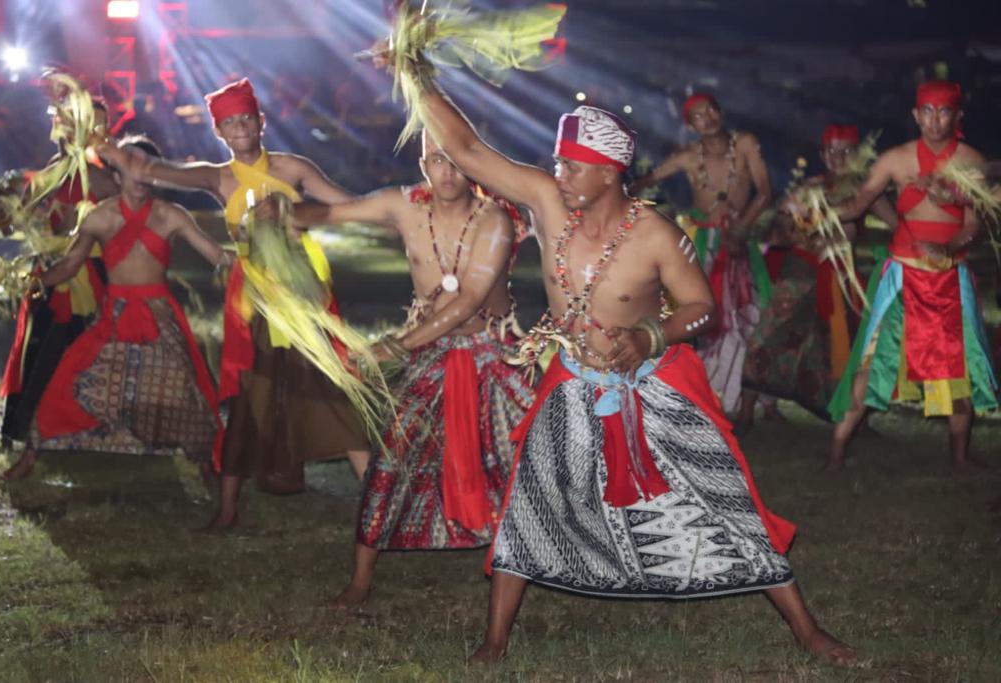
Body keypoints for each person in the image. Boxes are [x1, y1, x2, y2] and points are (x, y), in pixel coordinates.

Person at [390, 59, 853, 663]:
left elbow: (700, 307)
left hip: (648, 387)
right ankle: (495, 641)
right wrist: (416, 72)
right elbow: (467, 149)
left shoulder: (654, 233)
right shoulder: (546, 203)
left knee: (725, 496)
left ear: (609, 173)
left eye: (571, 165)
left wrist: (651, 337)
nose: (558, 174)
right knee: (530, 498)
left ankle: (808, 631)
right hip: (572, 383)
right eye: (558, 163)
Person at [97, 78, 369, 529]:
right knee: (248, 399)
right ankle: (227, 509)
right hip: (255, 302)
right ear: (218, 132)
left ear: (261, 122)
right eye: (229, 123)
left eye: (246, 119)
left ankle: (375, 500)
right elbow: (150, 170)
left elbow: (350, 207)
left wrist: (293, 214)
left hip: (302, 296)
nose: (239, 127)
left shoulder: (293, 168)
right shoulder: (216, 176)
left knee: (329, 388)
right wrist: (99, 141)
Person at [285, 130, 535, 606]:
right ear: (423, 166)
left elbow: (467, 302)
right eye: (436, 161)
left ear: (473, 164)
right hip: (430, 356)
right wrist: (280, 214)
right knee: (390, 463)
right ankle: (360, 580)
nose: (447, 171)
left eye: (456, 160)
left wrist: (396, 347)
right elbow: (335, 213)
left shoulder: (495, 219)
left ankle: (543, 557)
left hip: (494, 355)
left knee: (524, 465)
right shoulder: (403, 207)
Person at [0, 136, 232, 480]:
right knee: (66, 381)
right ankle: (31, 457)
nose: (138, 176)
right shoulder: (98, 217)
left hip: (159, 316)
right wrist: (29, 283)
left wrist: (255, 260)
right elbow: (68, 266)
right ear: (116, 176)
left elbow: (217, 256)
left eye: (147, 169)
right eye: (129, 166)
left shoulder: (171, 216)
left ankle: (208, 469)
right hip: (115, 315)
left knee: (187, 390)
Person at [824, 81, 997, 472]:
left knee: (959, 368)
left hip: (950, 279)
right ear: (916, 115)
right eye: (928, 111)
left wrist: (950, 249)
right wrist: (818, 208)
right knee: (870, 366)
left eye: (944, 111)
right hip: (901, 278)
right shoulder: (894, 160)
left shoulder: (971, 161)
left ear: (957, 116)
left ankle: (960, 456)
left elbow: (975, 223)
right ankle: (835, 454)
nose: (935, 120)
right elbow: (857, 205)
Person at [740, 124, 897, 424]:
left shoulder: (867, 193)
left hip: (840, 275)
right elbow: (779, 230)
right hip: (799, 272)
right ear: (822, 154)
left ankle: (851, 421)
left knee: (842, 349)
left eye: (846, 151)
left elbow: (898, 227)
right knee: (768, 334)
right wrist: (790, 230)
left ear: (857, 154)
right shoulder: (808, 188)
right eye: (831, 151)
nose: (838, 158)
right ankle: (747, 413)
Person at [631, 93, 775, 418]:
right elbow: (647, 181)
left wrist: (741, 228)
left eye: (710, 109)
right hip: (700, 241)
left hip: (739, 242)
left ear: (721, 111)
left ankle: (758, 398)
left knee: (751, 315)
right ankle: (699, 392)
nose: (706, 117)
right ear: (690, 125)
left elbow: (765, 193)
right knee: (695, 314)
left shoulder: (746, 144)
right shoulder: (686, 157)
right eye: (697, 115)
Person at [0, 99, 118, 469]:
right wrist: (3, 212)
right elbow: (16, 222)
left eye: (72, 125)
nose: (63, 132)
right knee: (36, 349)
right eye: (61, 124)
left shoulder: (103, 178)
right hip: (47, 272)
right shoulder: (51, 170)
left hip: (89, 277)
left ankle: (68, 432)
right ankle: (25, 428)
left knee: (74, 352)